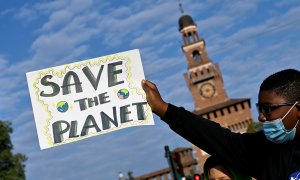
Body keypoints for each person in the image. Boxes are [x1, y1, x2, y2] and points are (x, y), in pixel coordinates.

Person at [141, 69, 300, 180]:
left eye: (268, 109)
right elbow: (217, 138)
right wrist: (163, 109)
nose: (261, 117)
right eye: (260, 109)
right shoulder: (265, 151)